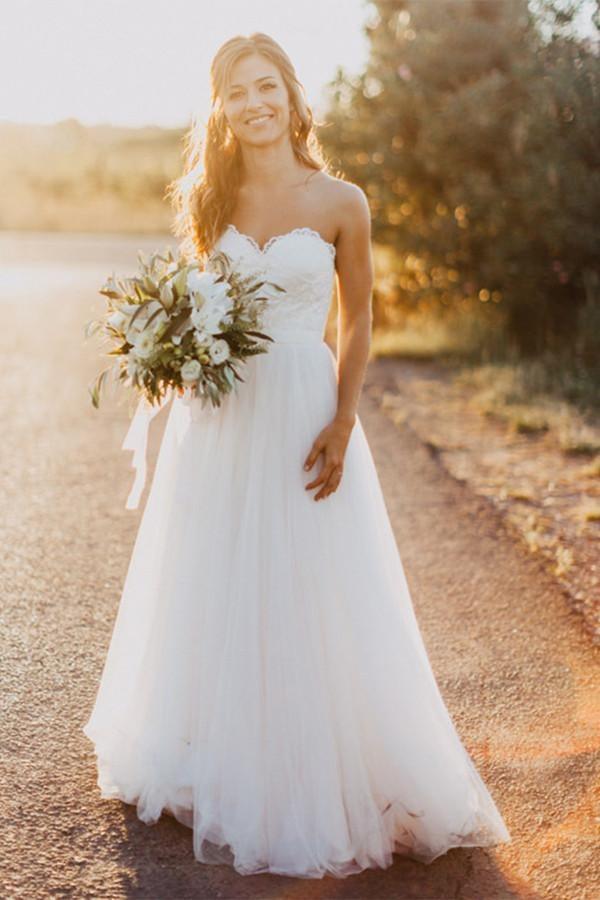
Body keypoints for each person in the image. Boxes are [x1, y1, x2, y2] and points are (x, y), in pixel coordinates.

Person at [82, 32, 511, 879]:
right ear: (221, 108)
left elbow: (359, 318)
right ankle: (223, 754)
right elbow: (197, 302)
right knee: (220, 577)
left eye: (265, 86)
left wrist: (344, 419)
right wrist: (171, 350)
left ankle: (322, 770)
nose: (254, 104)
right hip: (222, 416)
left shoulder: (342, 201)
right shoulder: (210, 199)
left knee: (314, 581)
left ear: (291, 94)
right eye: (236, 91)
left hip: (306, 406)